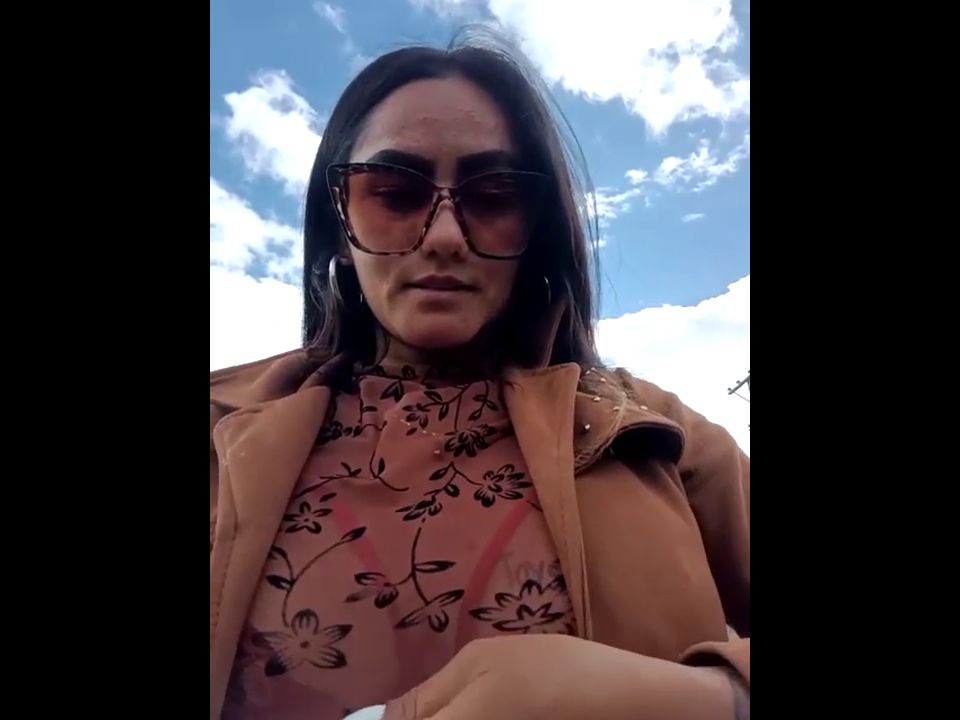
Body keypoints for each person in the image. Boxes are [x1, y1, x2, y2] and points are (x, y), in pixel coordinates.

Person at [210, 27, 749, 720]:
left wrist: (713, 698)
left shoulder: (659, 437)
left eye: (493, 197)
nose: (443, 237)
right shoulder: (220, 430)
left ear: (536, 230)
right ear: (339, 222)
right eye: (394, 193)